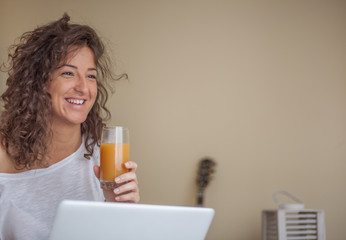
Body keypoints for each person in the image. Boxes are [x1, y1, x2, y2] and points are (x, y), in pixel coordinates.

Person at [0, 13, 140, 240]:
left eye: (91, 76)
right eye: (68, 73)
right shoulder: (3, 155)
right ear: (39, 82)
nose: (84, 88)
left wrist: (118, 207)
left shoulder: (100, 154)